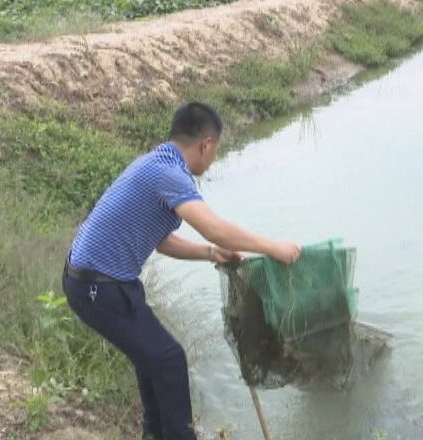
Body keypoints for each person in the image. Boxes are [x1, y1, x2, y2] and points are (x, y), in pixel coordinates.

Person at [62, 102, 301, 439]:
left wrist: (209, 254)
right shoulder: (167, 173)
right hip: (99, 286)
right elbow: (214, 227)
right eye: (215, 150)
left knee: (154, 360)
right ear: (207, 144)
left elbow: (163, 242)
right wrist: (273, 247)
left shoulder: (155, 163)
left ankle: (155, 434)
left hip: (97, 281)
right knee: (169, 359)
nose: (213, 157)